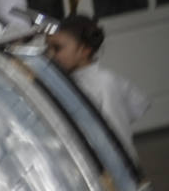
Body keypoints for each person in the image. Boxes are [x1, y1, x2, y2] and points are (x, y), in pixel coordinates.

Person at [46, 13, 149, 159]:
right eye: (48, 47)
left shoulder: (105, 83)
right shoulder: (70, 80)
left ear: (84, 50)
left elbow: (115, 134)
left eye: (57, 48)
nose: (50, 54)